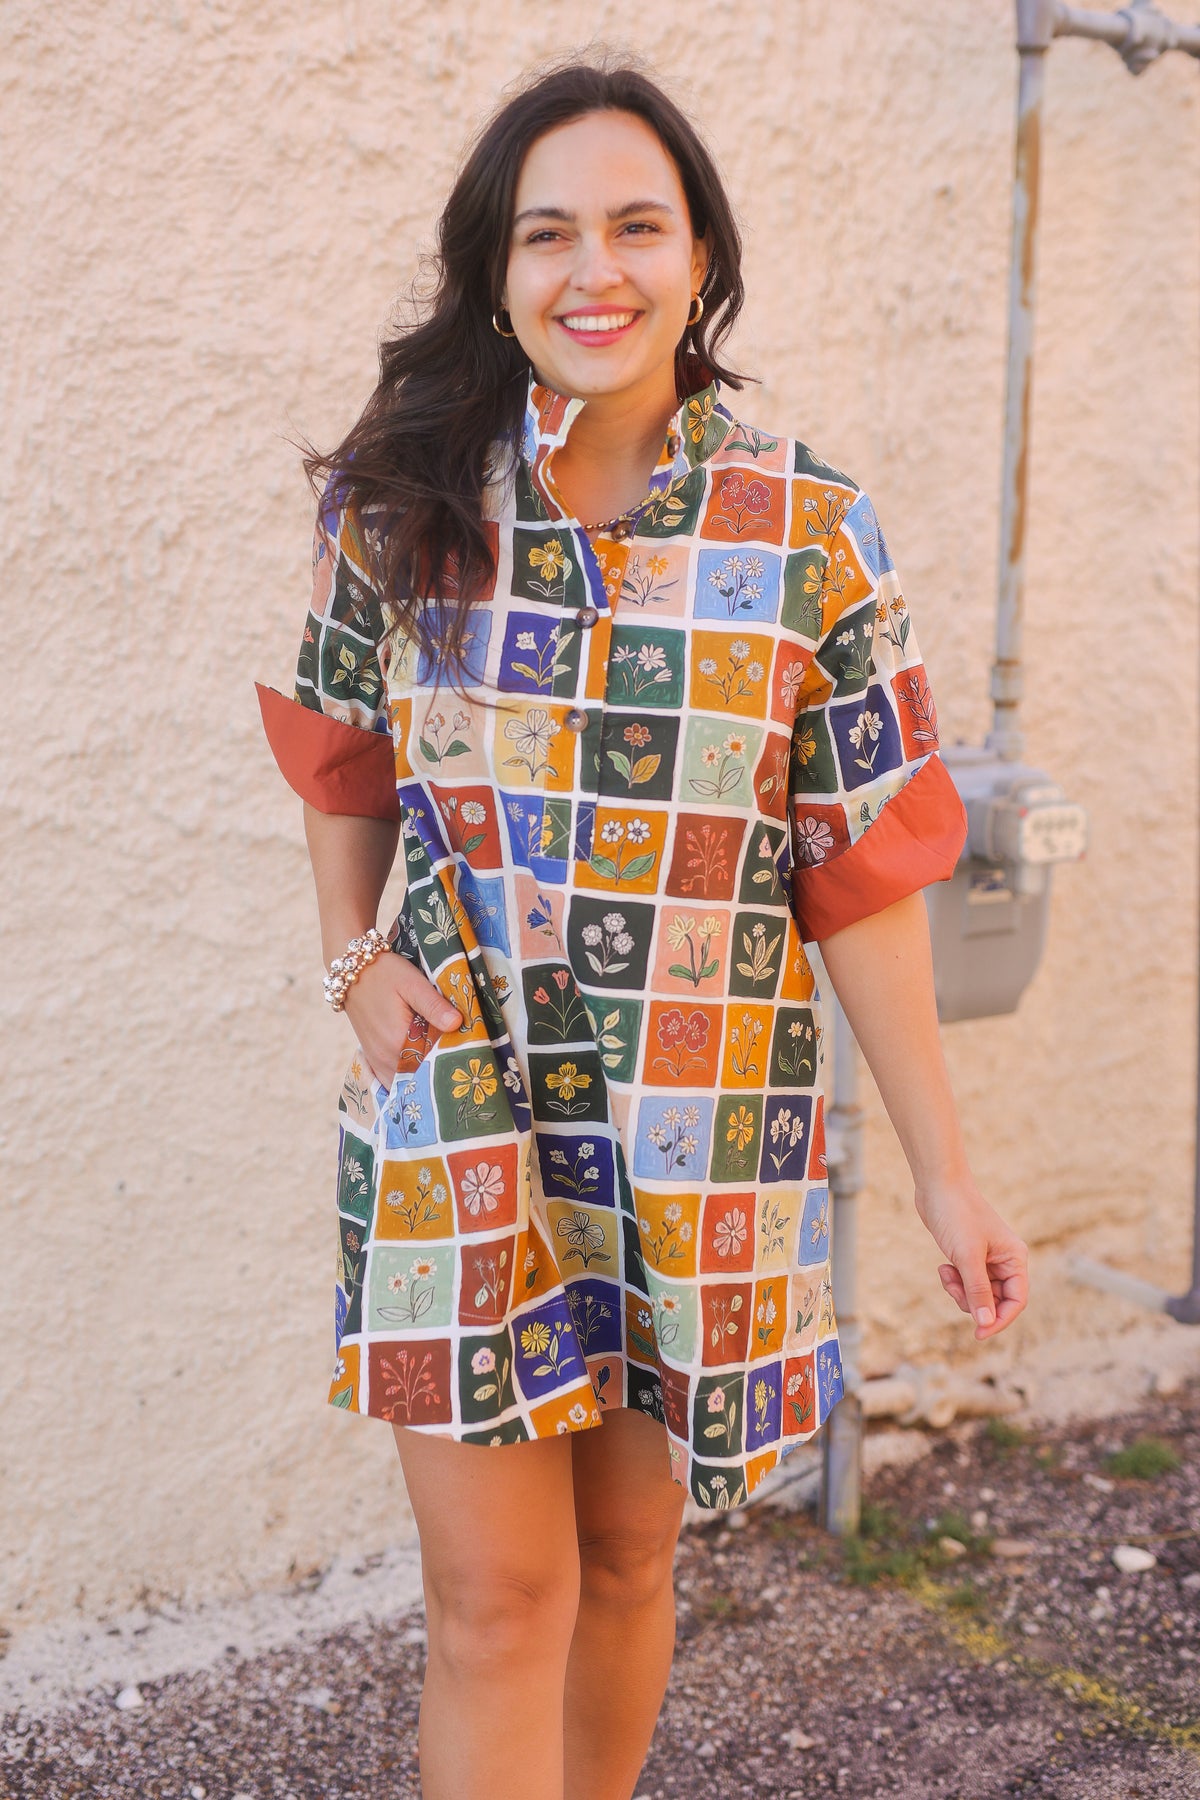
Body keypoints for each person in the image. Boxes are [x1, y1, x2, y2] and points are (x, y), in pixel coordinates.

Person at [258, 56, 1030, 1800]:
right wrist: (349, 958)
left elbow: (863, 866)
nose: (589, 270)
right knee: (494, 1598)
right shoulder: (403, 499)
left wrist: (941, 1172)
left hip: (700, 1123)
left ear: (698, 258)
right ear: (496, 269)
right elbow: (335, 743)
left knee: (626, 1569)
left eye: (633, 225)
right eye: (546, 235)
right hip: (468, 1106)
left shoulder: (806, 530)